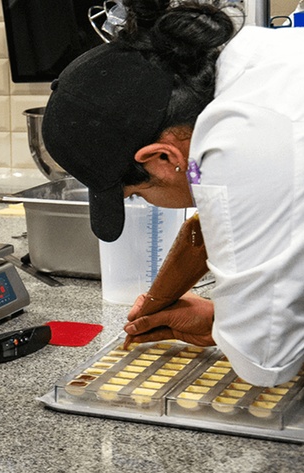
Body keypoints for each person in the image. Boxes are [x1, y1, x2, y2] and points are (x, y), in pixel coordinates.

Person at [41, 0, 304, 387]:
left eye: (135, 194)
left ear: (163, 158)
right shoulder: (267, 65)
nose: (141, 201)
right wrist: (221, 318)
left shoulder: (242, 137)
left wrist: (229, 330)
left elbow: (265, 363)